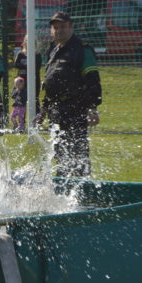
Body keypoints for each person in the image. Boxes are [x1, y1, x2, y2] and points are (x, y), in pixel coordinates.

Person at [36, 11, 102, 177]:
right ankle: (62, 188)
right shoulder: (53, 49)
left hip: (75, 109)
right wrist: (43, 110)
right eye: (55, 27)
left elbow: (93, 80)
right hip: (56, 112)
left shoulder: (82, 49)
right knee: (60, 156)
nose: (59, 30)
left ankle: (84, 187)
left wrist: (92, 108)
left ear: (71, 27)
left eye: (63, 27)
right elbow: (50, 83)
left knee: (79, 157)